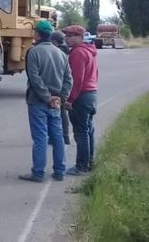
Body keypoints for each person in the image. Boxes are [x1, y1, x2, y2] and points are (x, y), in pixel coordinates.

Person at [19, 20, 72, 183]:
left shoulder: (33, 52)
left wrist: (47, 98)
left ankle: (38, 173)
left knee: (40, 137)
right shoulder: (62, 54)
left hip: (38, 101)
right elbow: (68, 79)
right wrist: (60, 98)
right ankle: (59, 171)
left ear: (37, 34)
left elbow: (34, 79)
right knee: (57, 136)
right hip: (56, 102)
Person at [61, 25, 99, 176]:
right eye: (66, 35)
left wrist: (70, 99)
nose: (66, 38)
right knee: (88, 130)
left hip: (81, 96)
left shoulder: (77, 53)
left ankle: (81, 166)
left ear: (79, 37)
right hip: (91, 94)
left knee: (81, 132)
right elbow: (95, 74)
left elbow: (76, 80)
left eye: (70, 36)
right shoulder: (89, 52)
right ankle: (89, 162)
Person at [50, 30, 72, 145]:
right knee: (62, 113)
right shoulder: (66, 52)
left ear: (54, 41)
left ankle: (58, 137)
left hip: (58, 86)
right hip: (65, 86)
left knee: (57, 113)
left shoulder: (57, 53)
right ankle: (65, 136)